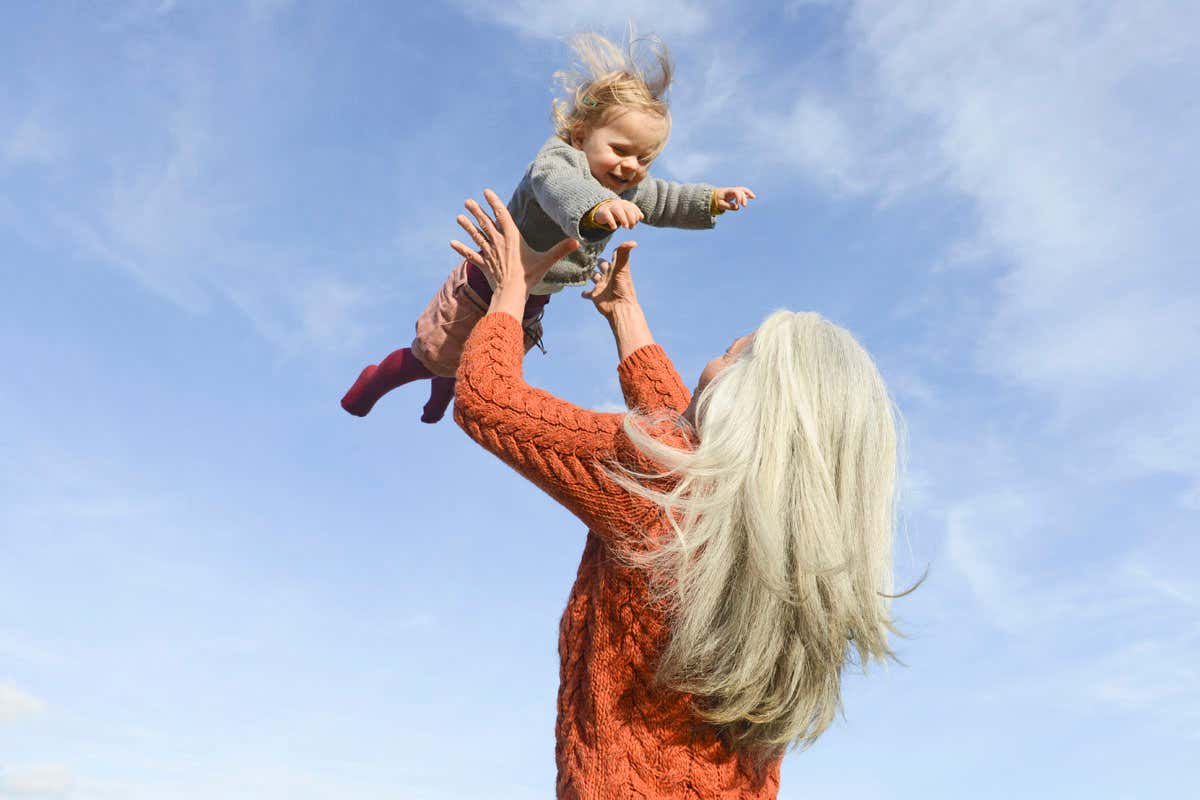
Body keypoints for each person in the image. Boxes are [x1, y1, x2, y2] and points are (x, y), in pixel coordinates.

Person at [449, 190, 905, 799]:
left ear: (749, 404)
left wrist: (511, 292)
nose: (713, 360)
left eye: (729, 353)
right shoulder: (804, 559)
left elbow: (488, 400)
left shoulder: (664, 486)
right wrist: (625, 314)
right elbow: (677, 442)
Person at [340, 32, 754, 422]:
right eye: (620, 150)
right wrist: (598, 209)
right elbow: (560, 189)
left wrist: (711, 199)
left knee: (474, 360)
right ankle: (375, 379)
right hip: (483, 289)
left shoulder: (625, 187)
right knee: (430, 357)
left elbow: (665, 198)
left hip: (528, 302)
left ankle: (440, 394)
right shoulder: (558, 161)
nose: (631, 166)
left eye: (644, 159)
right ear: (581, 136)